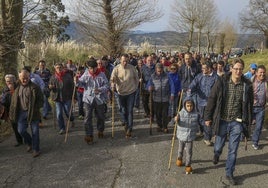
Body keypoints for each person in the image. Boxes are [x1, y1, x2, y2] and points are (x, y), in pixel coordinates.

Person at [204, 58, 253, 185]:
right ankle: (217, 152)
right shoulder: (222, 81)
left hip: (237, 122)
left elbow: (249, 105)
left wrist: (248, 120)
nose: (238, 71)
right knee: (219, 143)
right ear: (231, 69)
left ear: (243, 70)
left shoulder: (246, 85)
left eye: (240, 69)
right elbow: (212, 98)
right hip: (222, 119)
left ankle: (229, 173)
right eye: (235, 68)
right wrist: (208, 117)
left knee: (233, 149)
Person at [9, 69, 44, 157]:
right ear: (19, 77)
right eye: (22, 78)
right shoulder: (16, 86)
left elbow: (41, 100)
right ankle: (30, 142)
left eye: (26, 78)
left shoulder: (35, 87)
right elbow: (11, 96)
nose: (24, 80)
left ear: (29, 77)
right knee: (21, 130)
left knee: (35, 131)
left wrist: (35, 108)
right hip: (21, 112)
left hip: (33, 112)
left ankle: (36, 150)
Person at [75, 59, 109, 143]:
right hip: (88, 99)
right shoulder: (86, 74)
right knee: (87, 118)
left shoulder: (102, 75)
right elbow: (80, 84)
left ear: (96, 67)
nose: (92, 70)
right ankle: (89, 134)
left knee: (100, 116)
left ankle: (100, 130)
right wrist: (76, 81)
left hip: (99, 99)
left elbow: (107, 85)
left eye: (94, 68)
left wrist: (100, 89)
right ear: (88, 68)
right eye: (90, 68)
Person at [188, 61, 218, 146]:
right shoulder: (200, 76)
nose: (202, 69)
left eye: (204, 68)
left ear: (209, 69)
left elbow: (218, 89)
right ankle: (202, 131)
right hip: (200, 102)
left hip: (211, 103)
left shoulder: (216, 77)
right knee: (200, 119)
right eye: (202, 68)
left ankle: (207, 138)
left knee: (208, 120)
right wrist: (190, 89)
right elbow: (193, 84)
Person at [110, 54, 139, 138]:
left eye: (126, 61)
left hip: (131, 92)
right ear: (120, 60)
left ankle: (129, 127)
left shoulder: (132, 68)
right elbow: (112, 78)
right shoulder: (116, 69)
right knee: (122, 109)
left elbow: (136, 79)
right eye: (123, 61)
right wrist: (112, 83)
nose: (125, 63)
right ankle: (125, 122)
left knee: (129, 110)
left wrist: (135, 87)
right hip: (120, 93)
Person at [175, 97, 200, 174]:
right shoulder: (180, 113)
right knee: (180, 149)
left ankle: (188, 165)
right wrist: (176, 119)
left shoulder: (196, 114)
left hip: (190, 137)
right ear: (184, 105)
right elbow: (175, 121)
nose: (189, 107)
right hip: (181, 136)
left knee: (189, 152)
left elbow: (199, 122)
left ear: (193, 106)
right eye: (188, 106)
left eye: (191, 106)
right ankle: (179, 158)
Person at [147, 63, 175, 133]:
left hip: (165, 98)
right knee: (158, 113)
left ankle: (165, 126)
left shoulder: (167, 76)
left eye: (161, 70)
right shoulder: (152, 76)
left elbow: (172, 85)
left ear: (162, 69)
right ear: (156, 69)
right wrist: (149, 88)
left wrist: (172, 94)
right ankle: (159, 125)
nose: (159, 71)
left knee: (165, 114)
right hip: (156, 98)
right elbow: (149, 85)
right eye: (158, 70)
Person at [49, 62, 75, 135]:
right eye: (57, 68)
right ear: (55, 69)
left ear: (62, 68)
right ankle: (62, 128)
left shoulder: (67, 76)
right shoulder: (53, 77)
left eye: (60, 67)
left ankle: (72, 119)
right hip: (57, 98)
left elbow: (72, 86)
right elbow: (49, 86)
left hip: (67, 97)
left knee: (68, 112)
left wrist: (74, 97)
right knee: (59, 114)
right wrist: (50, 87)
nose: (59, 69)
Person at [0, 74, 23, 146]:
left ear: (14, 81)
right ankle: (19, 141)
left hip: (20, 109)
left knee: (21, 127)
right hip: (10, 111)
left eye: (10, 81)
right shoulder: (5, 89)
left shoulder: (19, 87)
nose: (8, 82)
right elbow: (3, 101)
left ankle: (27, 138)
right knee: (14, 127)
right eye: (7, 81)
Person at [251, 65, 267, 150]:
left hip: (261, 107)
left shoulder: (266, 82)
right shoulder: (251, 81)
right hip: (251, 107)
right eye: (260, 72)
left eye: (264, 72)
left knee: (259, 126)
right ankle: (243, 134)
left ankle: (255, 141)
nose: (262, 74)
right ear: (256, 73)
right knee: (246, 123)